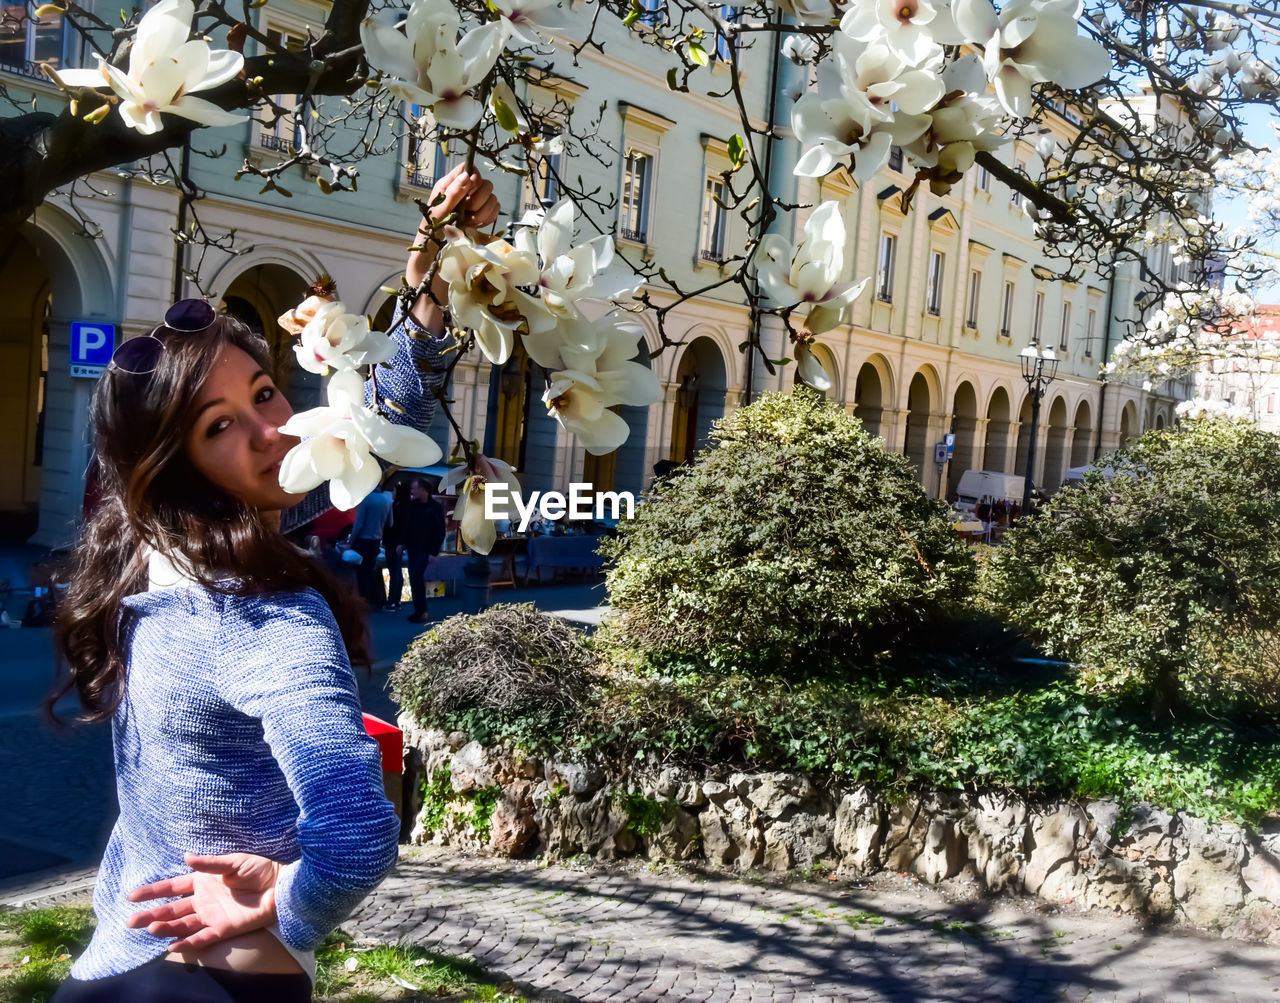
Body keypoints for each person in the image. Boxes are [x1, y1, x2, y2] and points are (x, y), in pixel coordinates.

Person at [49, 165, 499, 1003]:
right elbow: (360, 837)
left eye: (264, 393)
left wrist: (433, 286)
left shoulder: (164, 549)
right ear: (176, 467)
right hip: (185, 974)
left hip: (169, 971)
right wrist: (288, 908)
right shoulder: (255, 609)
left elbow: (366, 431)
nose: (271, 429)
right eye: (221, 425)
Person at [402, 476, 447, 625]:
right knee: (415, 579)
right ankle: (419, 610)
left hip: (425, 550)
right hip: (413, 548)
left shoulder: (435, 507)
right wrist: (403, 543)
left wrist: (434, 552)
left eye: (415, 488)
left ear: (423, 490)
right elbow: (407, 526)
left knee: (416, 577)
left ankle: (421, 611)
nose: (412, 491)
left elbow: (440, 530)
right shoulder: (413, 505)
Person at [348, 483, 394, 607]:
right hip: (376, 540)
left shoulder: (365, 500)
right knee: (371, 570)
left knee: (360, 571)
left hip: (362, 540)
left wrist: (350, 542)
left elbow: (359, 525)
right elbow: (390, 523)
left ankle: (362, 599)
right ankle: (373, 598)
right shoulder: (387, 501)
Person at [382, 481, 412, 611]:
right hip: (397, 542)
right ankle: (396, 600)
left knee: (394, 571)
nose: (392, 492)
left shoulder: (398, 506)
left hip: (393, 542)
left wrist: (401, 542)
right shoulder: (407, 506)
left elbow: (395, 526)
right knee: (396, 571)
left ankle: (392, 601)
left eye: (394, 490)